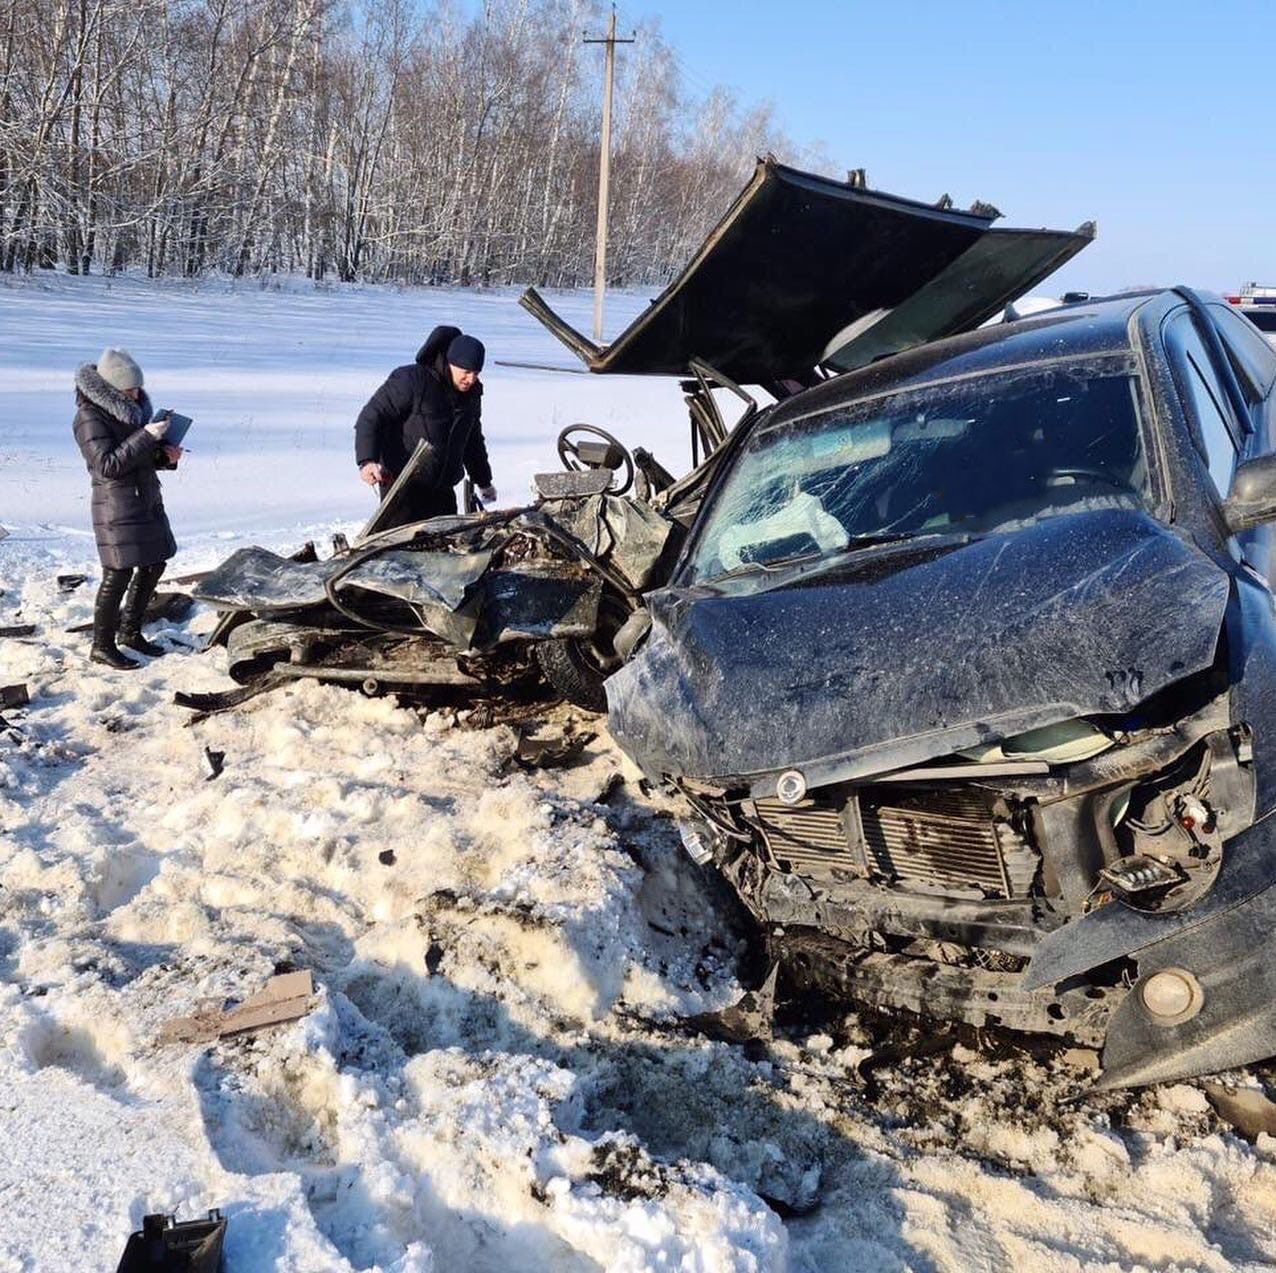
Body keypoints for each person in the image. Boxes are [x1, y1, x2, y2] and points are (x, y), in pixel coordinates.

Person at [72, 348, 183, 669]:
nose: (135, 395)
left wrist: (165, 456)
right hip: (116, 507)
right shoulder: (88, 418)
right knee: (117, 574)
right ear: (109, 389)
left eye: (136, 389)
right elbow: (107, 465)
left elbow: (136, 458)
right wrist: (147, 437)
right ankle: (101, 645)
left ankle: (130, 633)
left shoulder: (130, 413)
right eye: (128, 390)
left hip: (144, 499)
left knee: (154, 564)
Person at [354, 325, 496, 527]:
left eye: (476, 372)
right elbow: (372, 417)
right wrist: (367, 460)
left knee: (446, 548)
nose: (471, 379)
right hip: (403, 489)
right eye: (465, 372)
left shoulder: (471, 396)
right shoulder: (412, 381)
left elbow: (472, 441)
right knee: (401, 552)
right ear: (450, 363)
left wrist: (484, 481)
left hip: (443, 491)